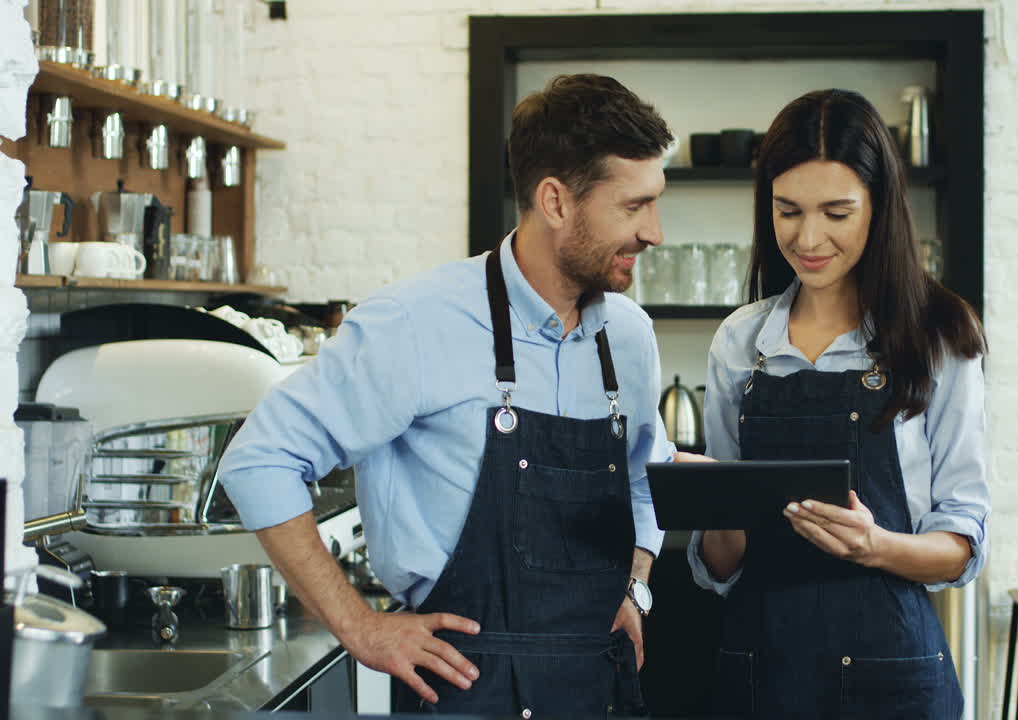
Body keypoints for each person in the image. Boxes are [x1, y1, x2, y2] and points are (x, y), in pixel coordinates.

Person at [217, 74, 678, 717]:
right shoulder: (414, 322)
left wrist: (635, 587)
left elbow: (646, 479)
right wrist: (360, 627)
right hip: (464, 690)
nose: (655, 231)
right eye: (633, 207)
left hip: (597, 688)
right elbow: (259, 460)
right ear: (554, 201)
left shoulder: (627, 336)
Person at [686, 89, 990, 718]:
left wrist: (874, 546)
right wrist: (716, 506)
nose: (808, 237)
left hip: (893, 676)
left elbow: (962, 543)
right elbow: (721, 564)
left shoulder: (939, 336)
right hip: (761, 673)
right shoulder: (741, 342)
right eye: (788, 211)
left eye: (837, 212)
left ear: (880, 207)